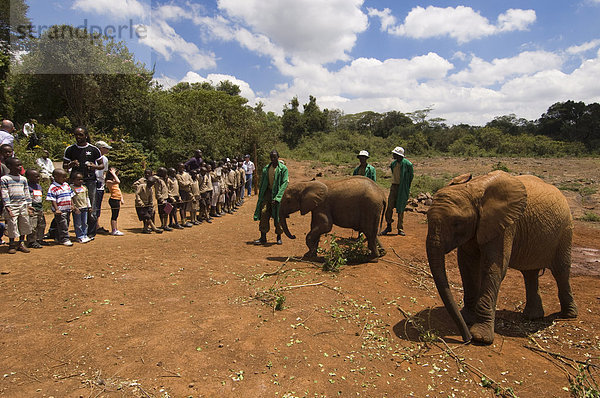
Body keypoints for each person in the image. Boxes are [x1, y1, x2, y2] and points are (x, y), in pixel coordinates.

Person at [63, 127, 103, 239]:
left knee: (91, 207)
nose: (78, 137)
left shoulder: (94, 149)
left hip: (89, 181)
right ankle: (64, 233)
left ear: (86, 135)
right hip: (74, 182)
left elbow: (101, 165)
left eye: (80, 135)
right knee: (70, 206)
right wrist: (71, 164)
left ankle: (90, 233)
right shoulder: (70, 149)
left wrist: (93, 166)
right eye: (76, 135)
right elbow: (64, 166)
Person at [253, 150, 289, 245]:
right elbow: (263, 183)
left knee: (278, 216)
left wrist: (278, 197)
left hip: (278, 194)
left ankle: (279, 237)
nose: (273, 159)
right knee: (264, 212)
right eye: (271, 157)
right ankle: (263, 237)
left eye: (274, 157)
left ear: (278, 157)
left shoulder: (283, 169)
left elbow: (284, 183)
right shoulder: (266, 169)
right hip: (267, 193)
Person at [0, 158, 33, 253]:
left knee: (24, 223)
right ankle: (11, 244)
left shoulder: (23, 179)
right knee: (12, 224)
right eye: (17, 165)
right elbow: (4, 193)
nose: (19, 167)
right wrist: (8, 207)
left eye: (20, 165)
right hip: (12, 206)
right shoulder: (5, 179)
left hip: (22, 205)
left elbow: (26, 192)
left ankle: (21, 243)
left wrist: (28, 205)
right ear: (9, 167)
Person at [380, 146, 414, 236]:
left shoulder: (408, 165)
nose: (393, 155)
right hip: (394, 186)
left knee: (401, 208)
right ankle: (388, 225)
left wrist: (406, 187)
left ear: (399, 155)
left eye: (394, 154)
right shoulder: (393, 164)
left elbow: (411, 177)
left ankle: (400, 228)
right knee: (389, 207)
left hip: (403, 187)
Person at [47, 169, 74, 246]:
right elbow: (52, 199)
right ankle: (64, 238)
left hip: (67, 208)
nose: (65, 179)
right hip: (60, 210)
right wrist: (56, 209)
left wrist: (72, 205)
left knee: (67, 222)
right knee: (63, 224)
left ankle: (58, 237)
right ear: (56, 177)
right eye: (63, 177)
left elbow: (70, 196)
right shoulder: (53, 187)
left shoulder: (66, 185)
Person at [25, 169, 47, 248]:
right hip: (32, 209)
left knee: (41, 224)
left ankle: (39, 239)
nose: (38, 178)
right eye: (35, 176)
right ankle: (31, 241)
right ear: (28, 177)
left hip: (39, 208)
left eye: (38, 176)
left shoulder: (39, 186)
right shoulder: (27, 187)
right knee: (33, 226)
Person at [94, 141, 111, 233]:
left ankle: (96, 224)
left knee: (98, 205)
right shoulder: (92, 156)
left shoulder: (105, 159)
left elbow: (104, 171)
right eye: (105, 148)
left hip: (100, 184)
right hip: (92, 182)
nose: (107, 150)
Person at [71, 172, 92, 243]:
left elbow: (87, 197)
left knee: (84, 223)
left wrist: (89, 206)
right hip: (77, 209)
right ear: (73, 180)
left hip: (84, 207)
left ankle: (84, 235)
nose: (80, 181)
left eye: (81, 179)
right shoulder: (71, 188)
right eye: (78, 179)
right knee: (78, 223)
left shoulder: (84, 188)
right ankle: (79, 236)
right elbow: (71, 198)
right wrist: (74, 207)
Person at [105, 168, 125, 236]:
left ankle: (115, 229)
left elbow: (118, 190)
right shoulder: (108, 181)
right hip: (113, 199)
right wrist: (113, 173)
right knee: (114, 216)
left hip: (117, 199)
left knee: (116, 215)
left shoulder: (114, 181)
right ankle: (114, 230)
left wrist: (121, 198)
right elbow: (118, 181)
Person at [176, 162, 194, 227]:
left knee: (186, 206)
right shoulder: (177, 175)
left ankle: (185, 220)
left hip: (188, 191)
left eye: (183, 167)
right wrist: (188, 183)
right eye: (180, 167)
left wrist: (187, 183)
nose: (182, 169)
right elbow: (181, 184)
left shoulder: (187, 174)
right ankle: (183, 220)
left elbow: (191, 182)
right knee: (182, 207)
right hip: (182, 192)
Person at [155, 167, 171, 231]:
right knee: (162, 212)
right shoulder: (158, 181)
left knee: (167, 211)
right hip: (162, 199)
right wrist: (161, 199)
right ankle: (163, 224)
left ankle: (165, 224)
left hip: (166, 197)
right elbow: (158, 191)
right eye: (164, 173)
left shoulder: (165, 179)